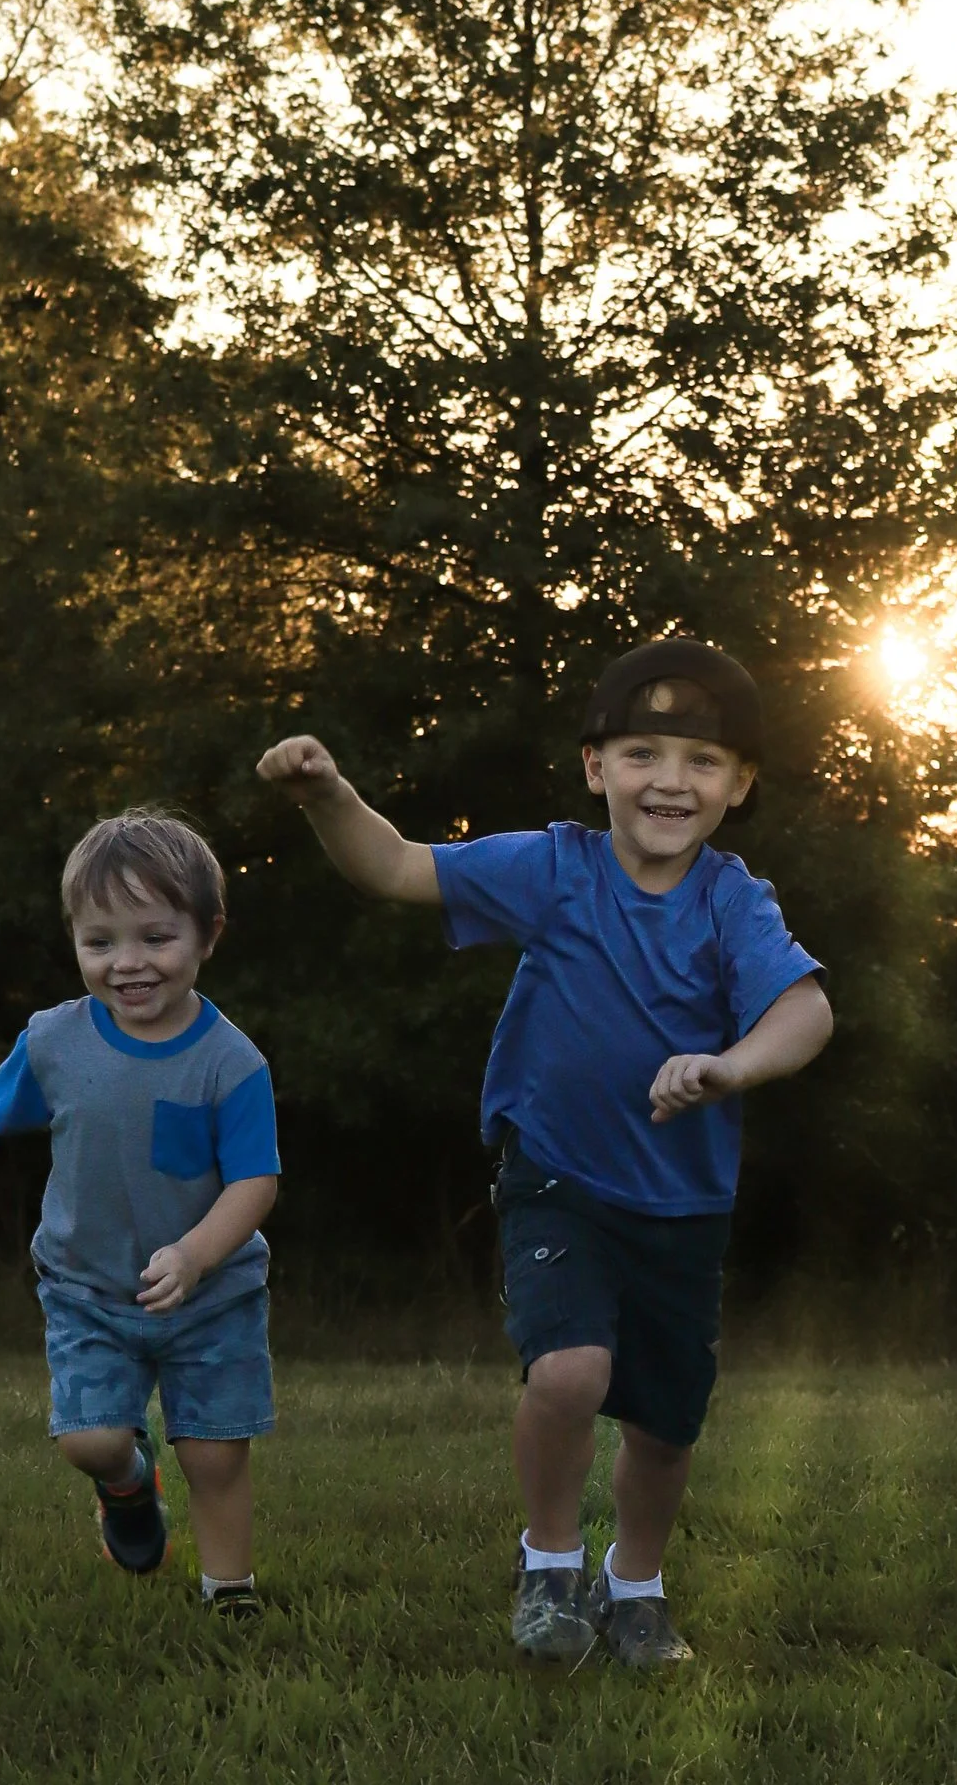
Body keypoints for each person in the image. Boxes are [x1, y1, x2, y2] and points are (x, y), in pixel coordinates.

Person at [257, 640, 832, 1668]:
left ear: (740, 785)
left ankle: (638, 1588)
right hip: (556, 1177)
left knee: (663, 1423)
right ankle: (551, 1566)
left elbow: (805, 1008)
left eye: (703, 762)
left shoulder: (732, 901)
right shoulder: (555, 868)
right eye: (643, 752)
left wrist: (729, 1067)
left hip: (683, 1203)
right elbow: (394, 865)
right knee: (568, 1372)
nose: (670, 780)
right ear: (594, 765)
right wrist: (325, 793)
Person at [0, 812, 281, 1619]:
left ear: (209, 934)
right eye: (100, 942)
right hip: (89, 1287)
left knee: (214, 1453)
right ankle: (128, 1485)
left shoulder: (231, 1062)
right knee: (88, 1439)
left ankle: (228, 1592)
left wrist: (197, 1255)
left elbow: (256, 1183)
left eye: (155, 938)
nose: (128, 963)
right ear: (75, 941)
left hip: (213, 1292)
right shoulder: (57, 1040)